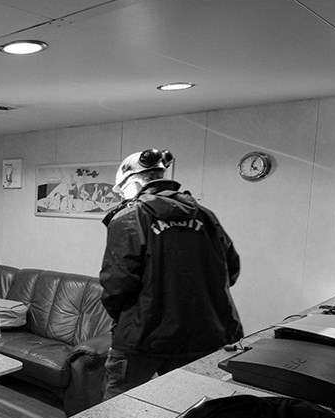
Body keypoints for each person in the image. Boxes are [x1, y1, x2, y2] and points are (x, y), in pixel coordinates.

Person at [99, 148, 244, 399]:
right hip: (205, 336)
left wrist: (125, 320)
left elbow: (117, 284)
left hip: (142, 337)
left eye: (121, 191)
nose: (122, 197)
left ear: (133, 184)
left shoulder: (130, 217)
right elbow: (231, 271)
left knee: (118, 408)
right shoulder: (206, 216)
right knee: (189, 410)